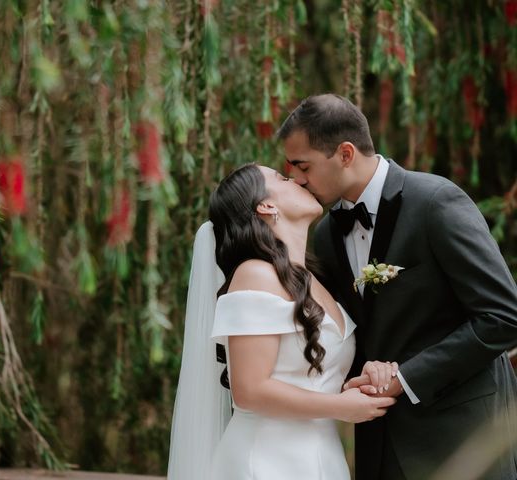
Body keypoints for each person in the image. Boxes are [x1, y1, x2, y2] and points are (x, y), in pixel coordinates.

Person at [277, 93, 517, 480]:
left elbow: (504, 317)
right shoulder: (324, 235)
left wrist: (404, 379)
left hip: (465, 436)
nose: (296, 179)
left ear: (345, 153)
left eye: (303, 166)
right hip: (379, 442)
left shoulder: (436, 203)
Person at [167, 163, 397, 480]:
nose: (299, 180)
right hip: (265, 462)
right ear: (266, 205)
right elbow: (249, 390)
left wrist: (362, 379)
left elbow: (312, 376)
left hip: (320, 460)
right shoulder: (255, 274)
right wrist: (340, 407)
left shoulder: (314, 280)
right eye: (283, 178)